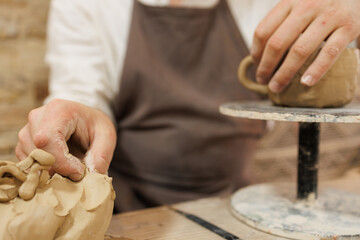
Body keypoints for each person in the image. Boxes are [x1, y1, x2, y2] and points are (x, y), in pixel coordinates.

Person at [16, 0, 360, 212]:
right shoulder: (89, 4)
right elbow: (82, 92)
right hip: (125, 207)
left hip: (237, 200)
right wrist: (74, 115)